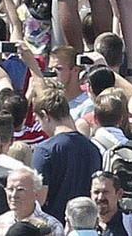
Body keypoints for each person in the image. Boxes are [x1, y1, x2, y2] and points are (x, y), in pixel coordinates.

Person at [30, 86, 102, 220]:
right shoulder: (93, 148)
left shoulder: (44, 150)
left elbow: (38, 198)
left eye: (39, 120)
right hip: (86, 223)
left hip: (53, 225)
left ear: (45, 116)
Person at [0, 167, 64, 236]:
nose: (14, 195)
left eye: (20, 190)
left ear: (36, 193)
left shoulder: (52, 226)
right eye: (10, 189)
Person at [90, 170, 132, 236]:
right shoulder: (82, 224)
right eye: (96, 192)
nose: (100, 197)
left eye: (105, 192)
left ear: (119, 194)